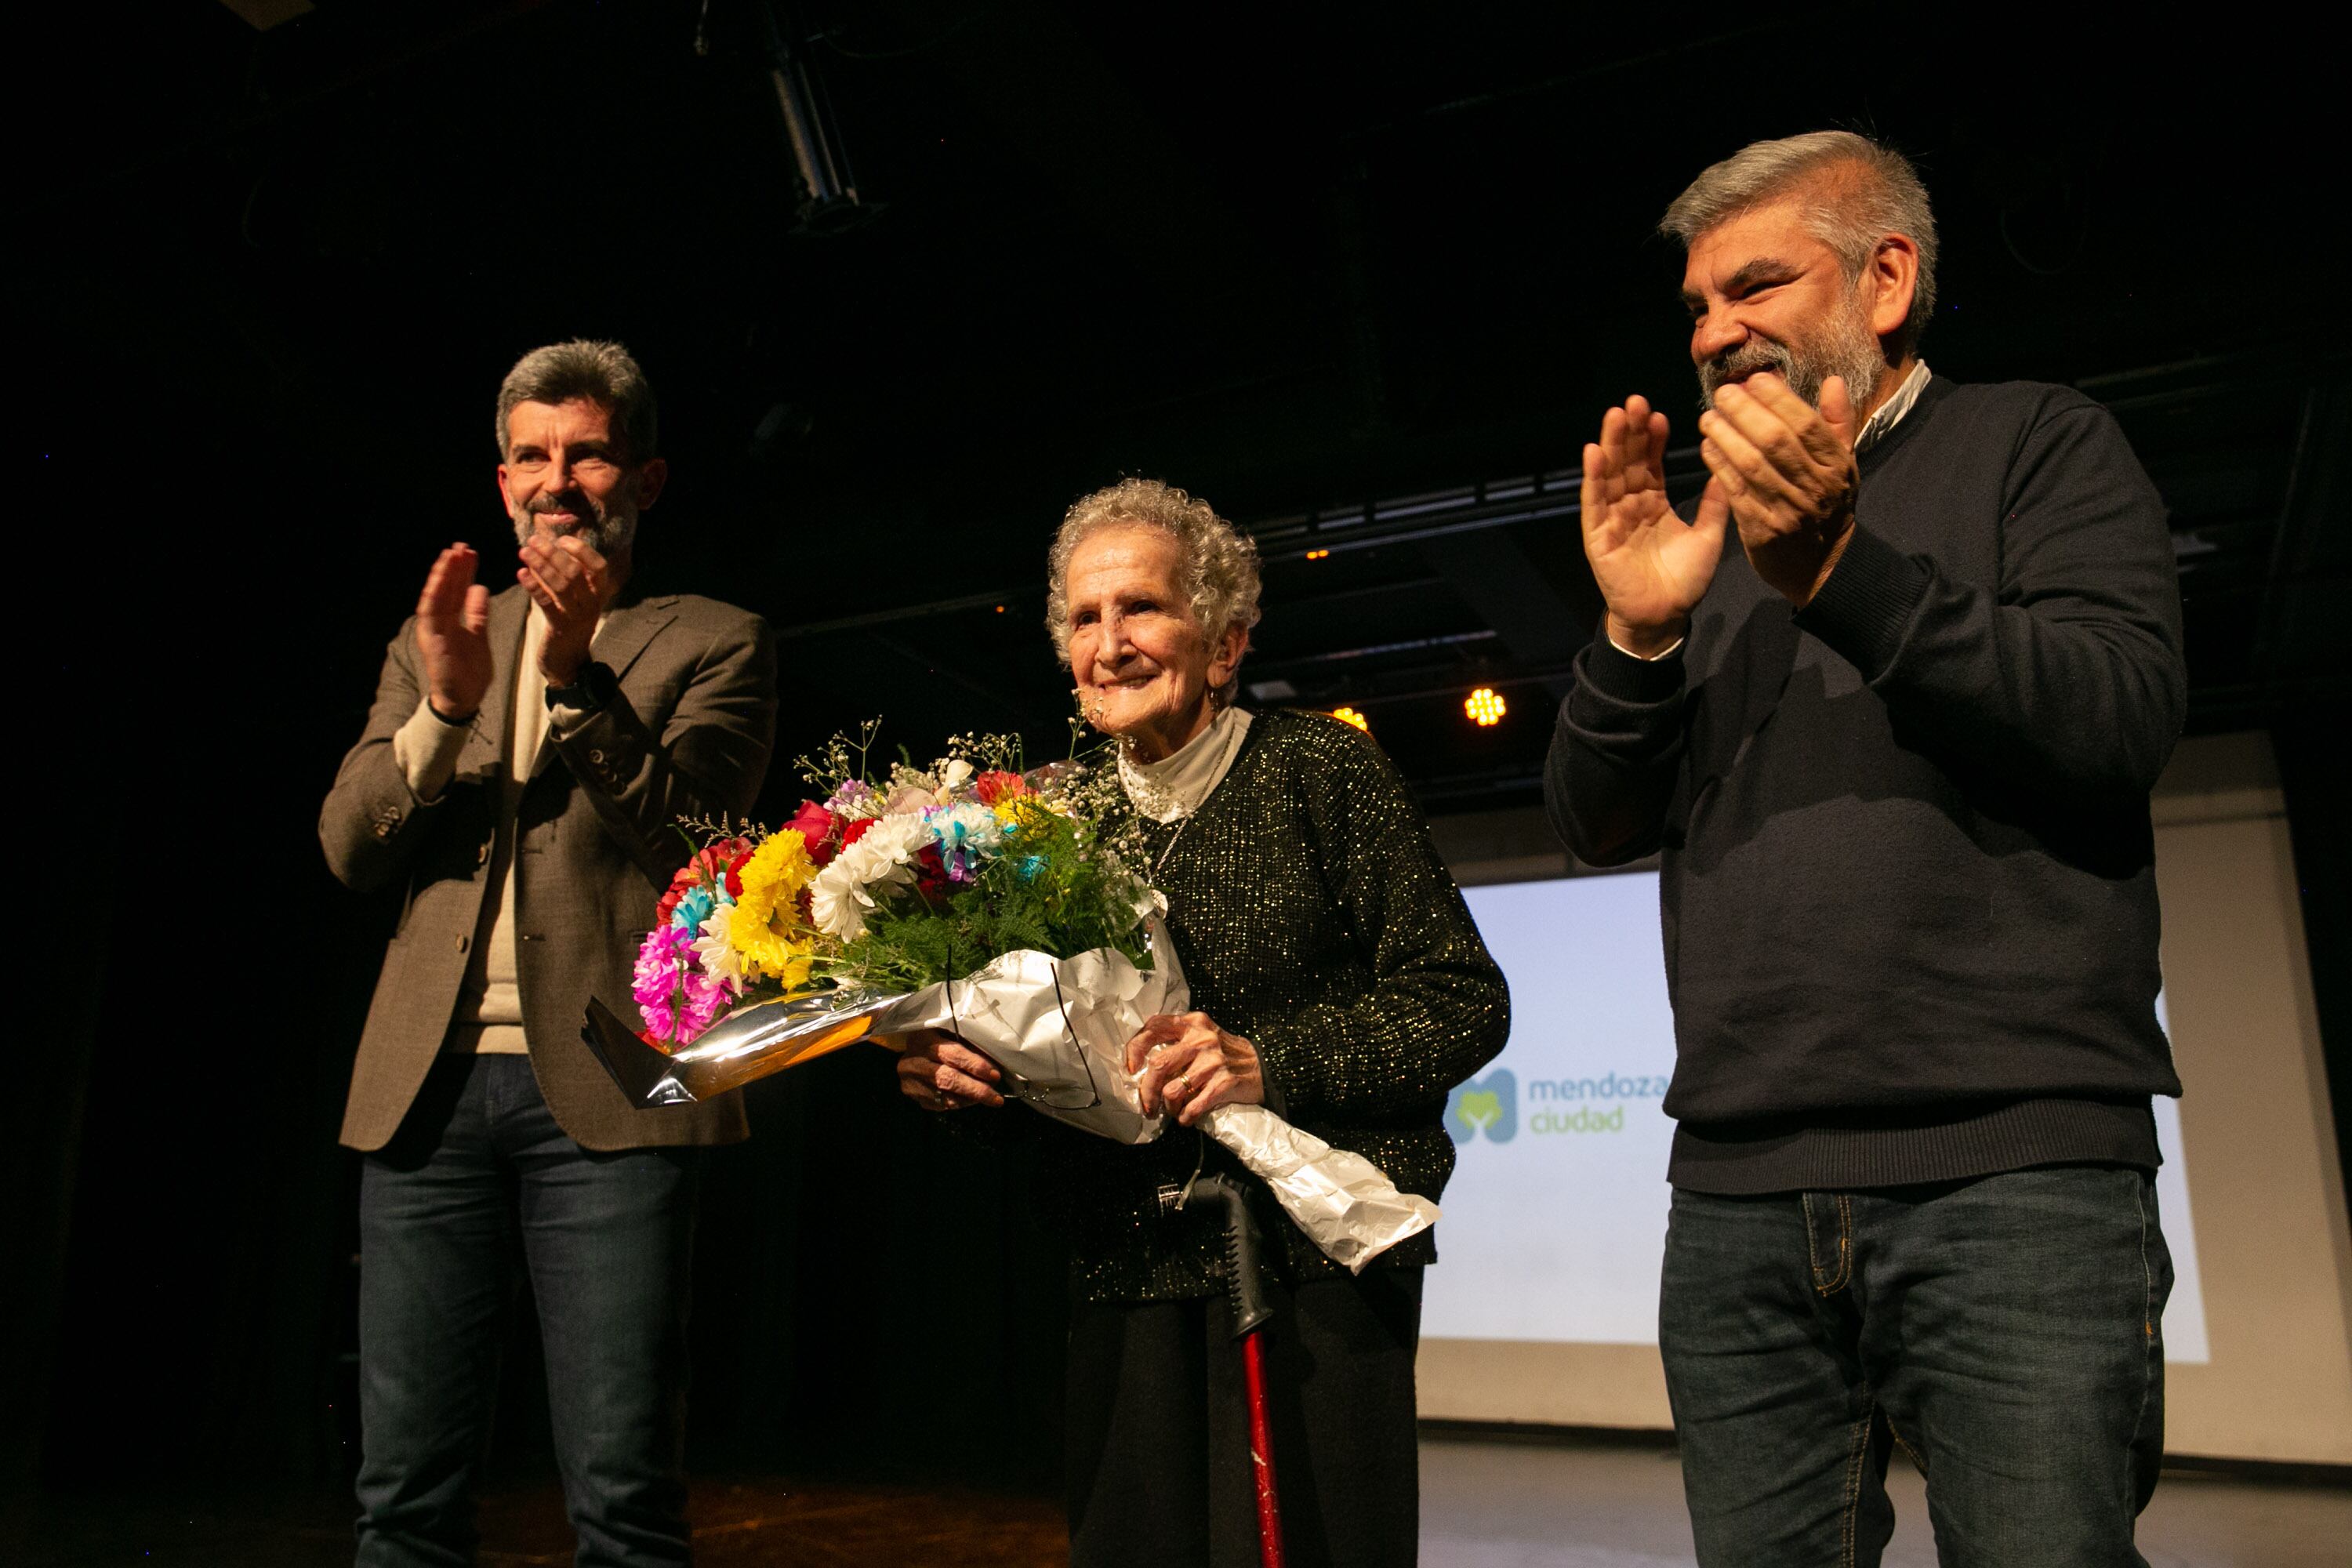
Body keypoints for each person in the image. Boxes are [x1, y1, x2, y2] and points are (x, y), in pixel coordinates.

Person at [1545, 132, 2187, 1565]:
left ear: (1886, 279)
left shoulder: (2039, 440)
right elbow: (1593, 821)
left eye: (1755, 285)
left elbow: (2116, 720)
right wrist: (1641, 630)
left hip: (2010, 1179)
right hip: (1736, 1199)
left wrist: (1841, 567)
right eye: (1699, 307)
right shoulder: (1710, 532)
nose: (1715, 334)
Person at [897, 478, 1508, 1567]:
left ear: (1224, 645)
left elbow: (1462, 1000)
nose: (1110, 642)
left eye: (1142, 609)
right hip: (1121, 1261)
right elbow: (1057, 1072)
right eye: (1084, 619)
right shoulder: (1042, 821)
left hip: (1309, 1268)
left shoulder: (1321, 769)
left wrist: (1269, 1061)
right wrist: (967, 1088)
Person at [320, 340, 778, 1567]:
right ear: (503, 475)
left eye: (585, 452)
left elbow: (709, 849)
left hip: (627, 1080)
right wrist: (448, 707)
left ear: (647, 477)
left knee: (624, 1500)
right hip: (425, 1092)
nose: (555, 478)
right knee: (402, 1499)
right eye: (531, 453)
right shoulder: (437, 635)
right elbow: (348, 848)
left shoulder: (713, 637)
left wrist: (574, 678)